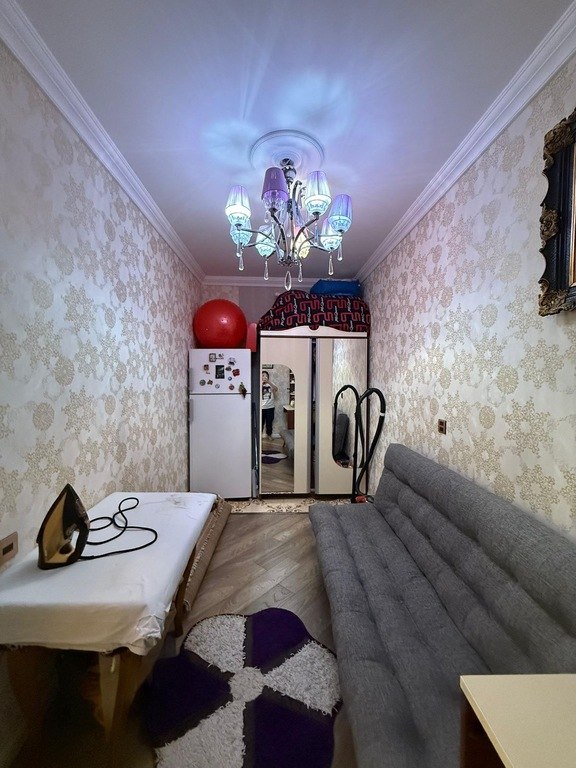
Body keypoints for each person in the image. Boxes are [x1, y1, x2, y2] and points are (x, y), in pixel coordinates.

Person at [261, 370, 278, 438]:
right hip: (261, 407)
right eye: (263, 375)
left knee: (269, 423)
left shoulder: (271, 384)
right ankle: (259, 435)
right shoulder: (259, 384)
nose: (264, 377)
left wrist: (268, 382)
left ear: (268, 377)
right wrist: (261, 383)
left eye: (266, 376)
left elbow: (276, 389)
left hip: (270, 407)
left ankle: (269, 435)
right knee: (261, 423)